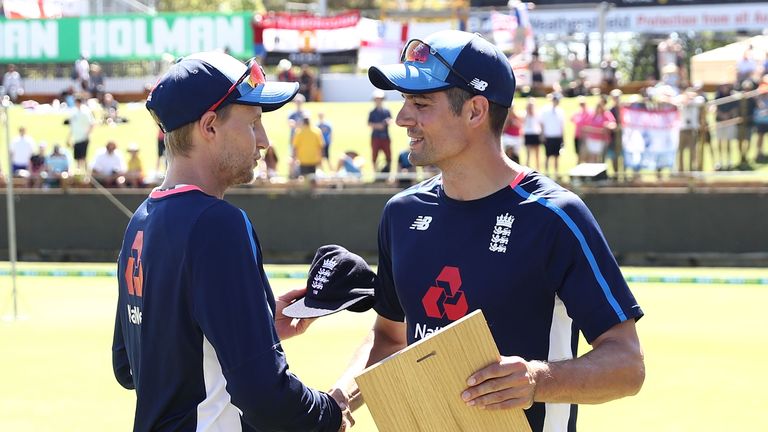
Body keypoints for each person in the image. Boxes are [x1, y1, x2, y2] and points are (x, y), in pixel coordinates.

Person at [329, 30, 644, 432]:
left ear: (476, 111)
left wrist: (536, 380)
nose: (402, 117)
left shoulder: (555, 217)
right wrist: (340, 400)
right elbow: (390, 338)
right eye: (405, 102)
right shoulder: (401, 213)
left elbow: (627, 364)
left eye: (420, 103)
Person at [112, 51, 350, 431]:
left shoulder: (140, 220)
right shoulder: (217, 223)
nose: (265, 141)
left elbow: (128, 367)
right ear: (209, 126)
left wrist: (253, 323)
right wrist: (329, 412)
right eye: (254, 123)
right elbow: (264, 396)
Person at [539, 93, 565, 177]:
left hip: (557, 136)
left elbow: (562, 125)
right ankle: (546, 173)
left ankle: (556, 173)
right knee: (547, 155)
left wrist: (562, 137)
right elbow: (542, 123)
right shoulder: (545, 110)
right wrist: (542, 134)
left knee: (556, 156)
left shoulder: (560, 111)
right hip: (548, 136)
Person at [67, 97, 95, 172]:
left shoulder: (85, 111)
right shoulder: (74, 112)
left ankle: (88, 175)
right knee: (77, 159)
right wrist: (69, 138)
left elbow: (92, 124)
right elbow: (73, 127)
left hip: (83, 138)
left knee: (83, 157)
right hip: (76, 138)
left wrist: (86, 135)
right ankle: (78, 175)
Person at [368, 89, 392, 174]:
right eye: (377, 99)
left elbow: (390, 120)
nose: (378, 101)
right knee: (374, 155)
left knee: (388, 156)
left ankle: (388, 173)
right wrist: (379, 126)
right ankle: (375, 173)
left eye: (380, 99)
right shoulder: (372, 112)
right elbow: (370, 124)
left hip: (385, 137)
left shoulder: (386, 111)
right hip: (376, 137)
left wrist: (387, 122)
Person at [522, 98, 542, 170]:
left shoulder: (537, 114)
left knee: (537, 154)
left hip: (536, 134)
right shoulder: (524, 115)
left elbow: (541, 125)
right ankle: (527, 169)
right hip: (528, 135)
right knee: (528, 154)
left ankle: (538, 169)